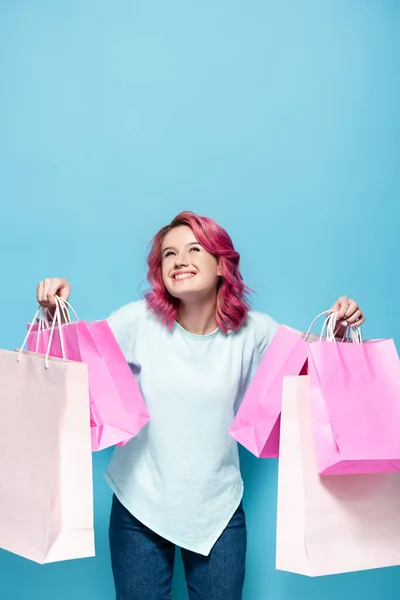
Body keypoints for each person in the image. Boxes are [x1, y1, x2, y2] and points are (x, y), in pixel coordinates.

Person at [36, 211, 365, 600]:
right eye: (169, 254)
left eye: (194, 249)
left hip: (219, 511)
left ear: (221, 264)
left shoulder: (254, 331)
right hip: (138, 507)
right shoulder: (137, 321)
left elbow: (312, 374)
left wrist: (340, 332)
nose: (179, 260)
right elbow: (71, 363)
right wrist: (52, 310)